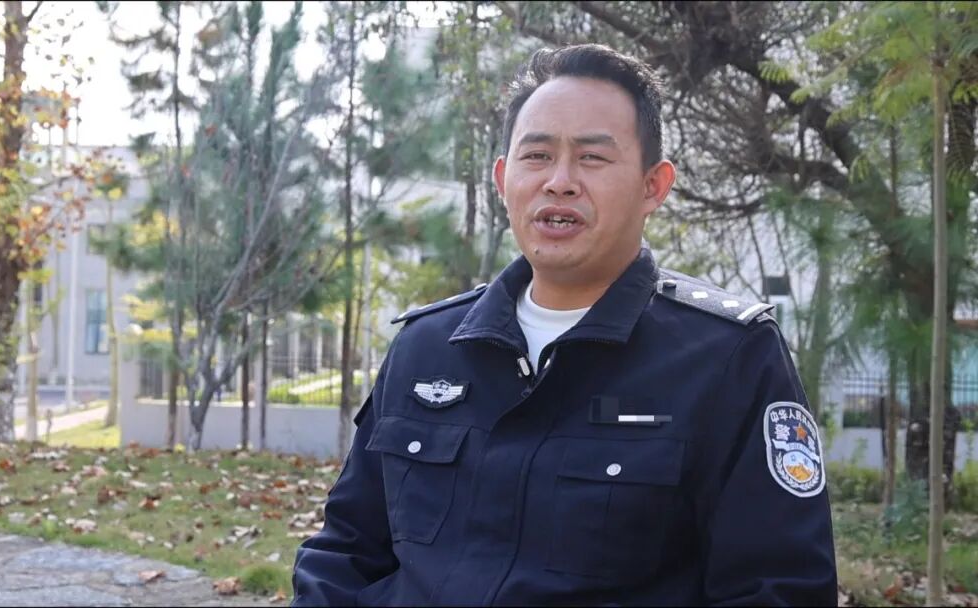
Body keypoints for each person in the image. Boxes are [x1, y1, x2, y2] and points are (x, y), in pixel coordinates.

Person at [292, 43, 837, 606]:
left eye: (592, 158)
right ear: (502, 179)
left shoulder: (727, 357)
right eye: (536, 156)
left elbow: (781, 590)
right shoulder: (428, 346)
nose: (560, 181)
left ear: (653, 186)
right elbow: (345, 552)